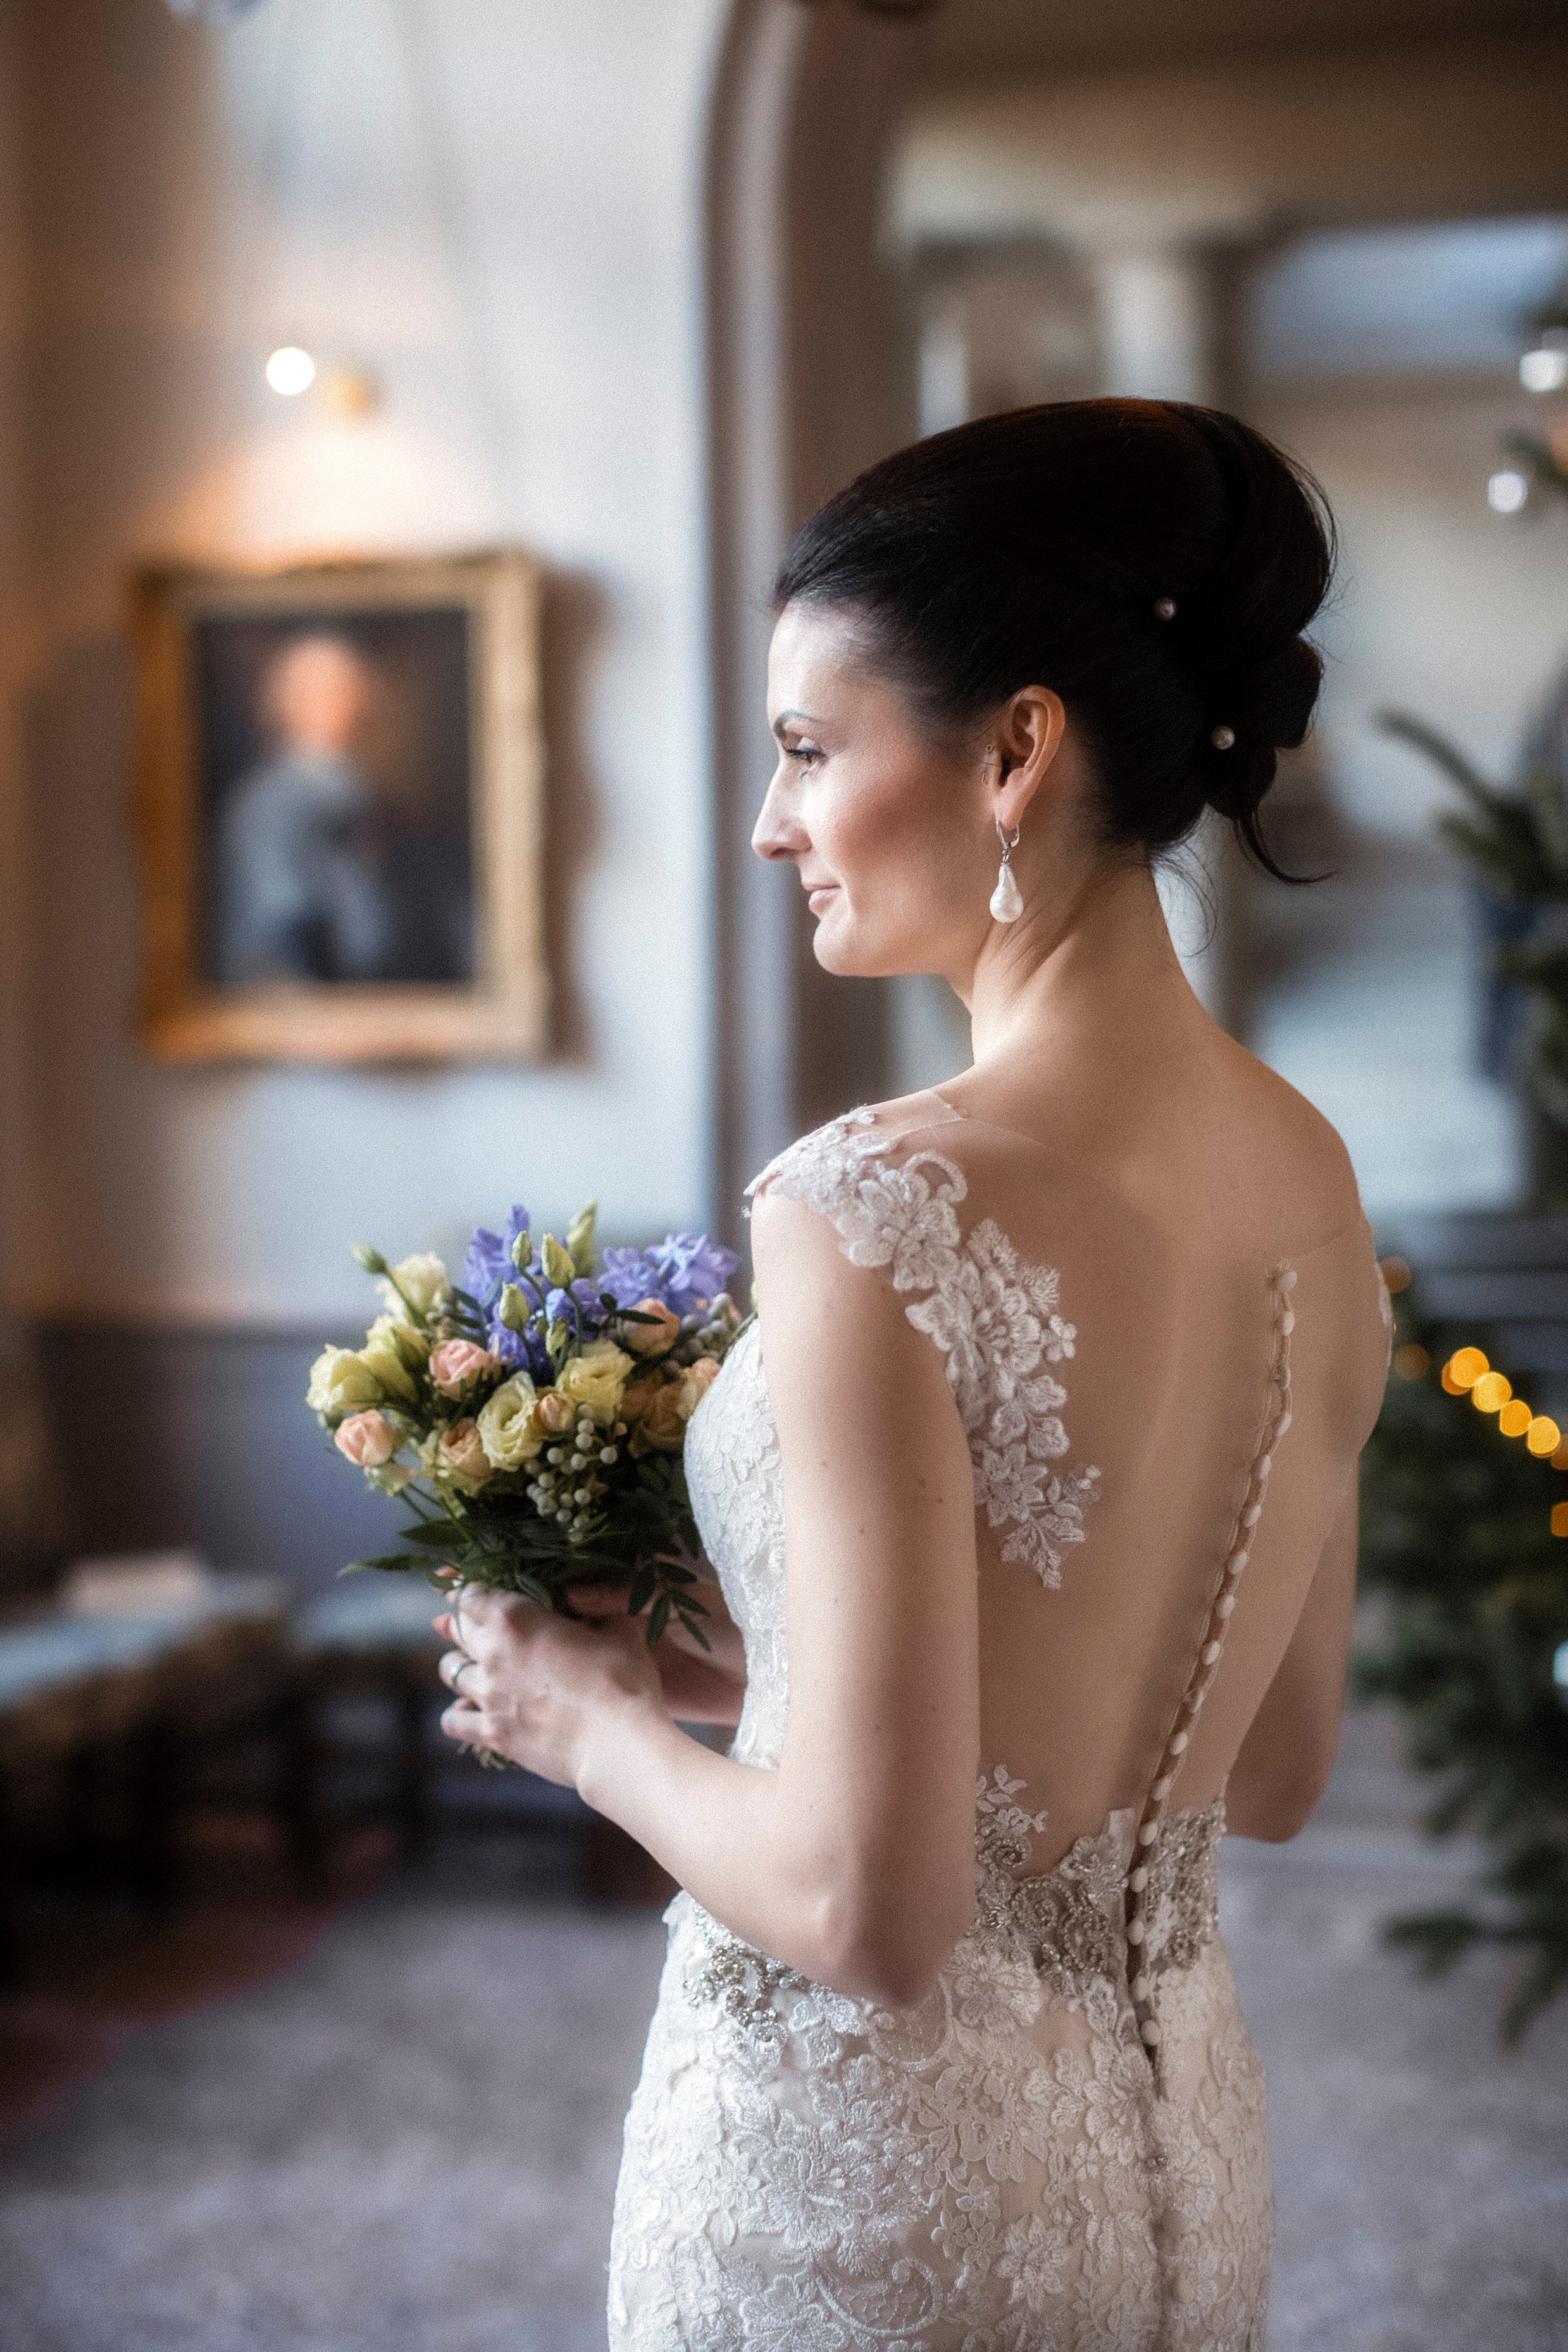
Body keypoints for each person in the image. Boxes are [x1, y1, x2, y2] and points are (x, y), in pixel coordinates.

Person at [434, 399, 1392, 2350]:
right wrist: (739, 1650)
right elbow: (1267, 1766)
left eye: (804, 748)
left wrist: (589, 1720)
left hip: (867, 2208)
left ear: (1016, 748)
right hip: (1171, 2170)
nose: (772, 821)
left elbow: (874, 1914)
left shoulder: (870, 1203)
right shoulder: (1306, 1172)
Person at [214, 633, 397, 985]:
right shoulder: (270, 799)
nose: (345, 707)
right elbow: (285, 915)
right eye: (325, 694)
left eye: (347, 692)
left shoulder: (352, 788)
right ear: (290, 703)